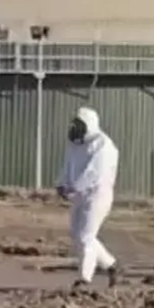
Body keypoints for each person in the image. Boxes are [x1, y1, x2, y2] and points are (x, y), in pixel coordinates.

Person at [55, 107, 120, 288]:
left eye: (79, 124)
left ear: (89, 125)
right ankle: (111, 264)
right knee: (78, 236)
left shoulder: (104, 145)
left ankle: (84, 279)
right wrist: (61, 183)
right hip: (79, 195)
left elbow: (94, 173)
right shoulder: (75, 144)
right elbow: (67, 166)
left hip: (98, 196)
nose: (75, 127)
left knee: (86, 236)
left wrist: (74, 187)